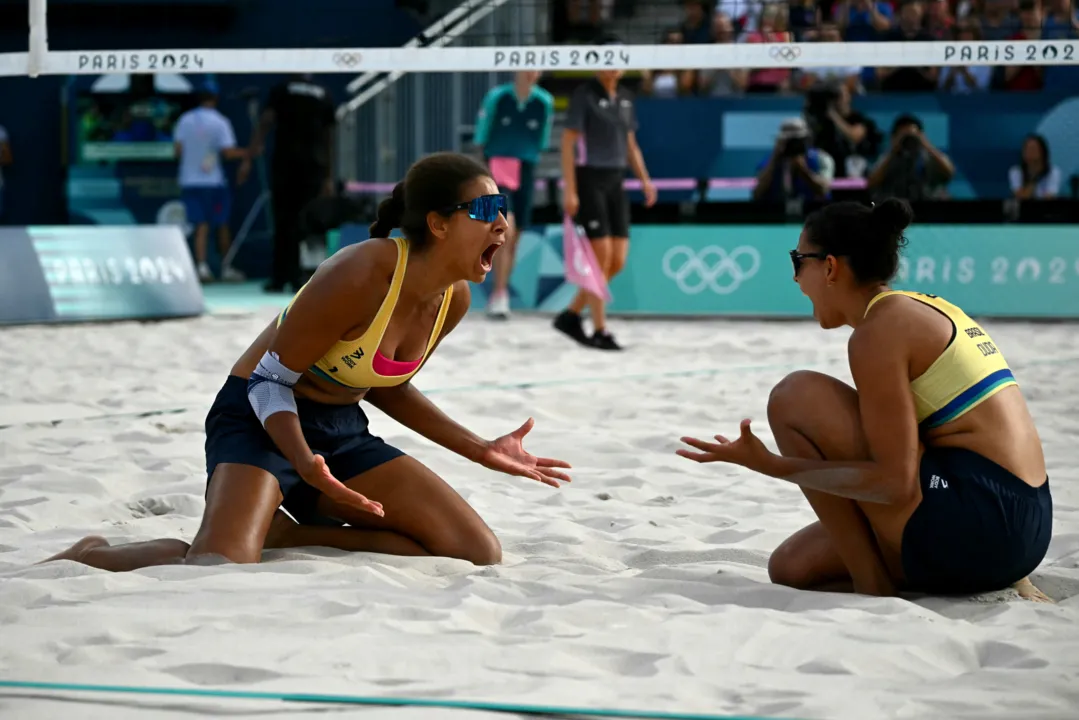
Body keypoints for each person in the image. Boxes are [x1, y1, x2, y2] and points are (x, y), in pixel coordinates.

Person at [41, 152, 572, 571]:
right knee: (218, 563)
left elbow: (387, 385)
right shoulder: (361, 272)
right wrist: (303, 463)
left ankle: (287, 532)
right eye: (484, 210)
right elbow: (269, 380)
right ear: (436, 223)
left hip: (340, 429)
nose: (501, 222)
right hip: (261, 419)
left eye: (503, 207)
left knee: (474, 551)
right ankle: (92, 554)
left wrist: (480, 449)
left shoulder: (453, 298)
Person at [677, 198, 1053, 601]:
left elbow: (894, 483)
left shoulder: (879, 331)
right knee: (791, 566)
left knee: (794, 397)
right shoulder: (924, 308)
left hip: (986, 520)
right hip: (1027, 527)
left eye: (797, 260)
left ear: (830, 266)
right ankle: (968, 576)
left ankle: (871, 586)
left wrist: (773, 465)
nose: (795, 278)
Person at [553, 67, 657, 351]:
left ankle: (571, 314)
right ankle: (599, 329)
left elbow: (631, 144)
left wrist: (645, 180)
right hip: (589, 178)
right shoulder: (584, 95)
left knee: (618, 261)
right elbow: (567, 142)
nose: (612, 67)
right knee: (600, 258)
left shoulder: (625, 96)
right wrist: (570, 189)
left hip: (615, 179)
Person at [473, 71, 555, 319]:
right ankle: (499, 294)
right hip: (497, 162)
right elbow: (482, 134)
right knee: (503, 231)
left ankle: (500, 292)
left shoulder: (544, 100)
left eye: (536, 68)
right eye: (526, 68)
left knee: (515, 237)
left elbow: (542, 140)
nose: (531, 73)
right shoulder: (497, 97)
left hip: (526, 164)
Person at [249, 74, 337, 293]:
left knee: (283, 221)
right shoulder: (323, 94)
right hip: (313, 165)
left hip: (286, 164)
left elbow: (267, 120)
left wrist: (255, 146)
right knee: (305, 222)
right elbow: (329, 137)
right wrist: (328, 174)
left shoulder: (282, 89)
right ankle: (302, 278)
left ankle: (282, 278)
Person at [173, 80, 248, 283]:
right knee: (221, 224)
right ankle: (226, 268)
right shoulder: (220, 122)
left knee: (200, 225)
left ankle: (202, 268)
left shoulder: (184, 120)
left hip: (189, 182)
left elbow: (177, 151)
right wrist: (249, 153)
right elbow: (227, 152)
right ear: (215, 98)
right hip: (213, 184)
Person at [866, 114, 954, 202]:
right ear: (894, 137)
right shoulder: (887, 158)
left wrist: (926, 145)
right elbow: (872, 182)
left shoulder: (928, 157)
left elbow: (949, 172)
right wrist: (894, 150)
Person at [752, 117, 834, 205]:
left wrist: (804, 170)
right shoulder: (768, 162)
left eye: (797, 140)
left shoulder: (821, 159)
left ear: (807, 139)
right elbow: (757, 194)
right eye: (788, 140)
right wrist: (774, 158)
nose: (793, 145)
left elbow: (824, 191)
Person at [1009, 134, 1061, 200]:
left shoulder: (1054, 172)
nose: (1029, 152)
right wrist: (1034, 178)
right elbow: (1020, 197)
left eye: (1033, 149)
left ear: (1042, 152)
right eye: (1026, 149)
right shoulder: (1015, 171)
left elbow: (1050, 196)